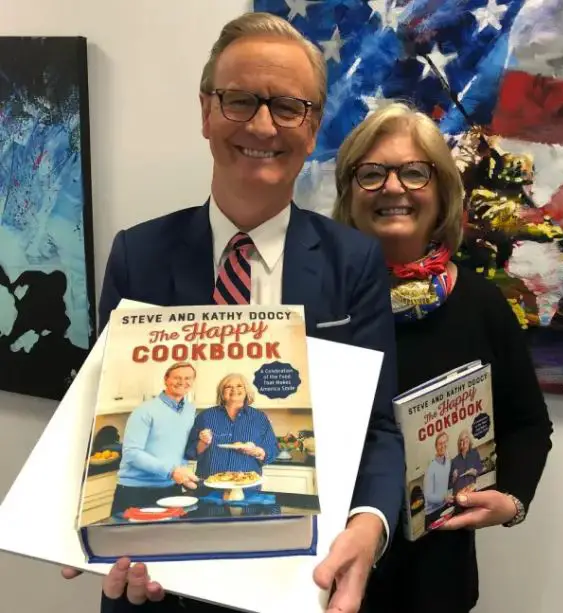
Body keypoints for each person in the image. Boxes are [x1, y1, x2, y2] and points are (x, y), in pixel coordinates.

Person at [61, 11, 405, 613]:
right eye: (240, 100)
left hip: (300, 579)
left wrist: (370, 525)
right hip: (152, 582)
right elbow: (102, 412)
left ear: (314, 125)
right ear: (205, 112)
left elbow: (378, 427)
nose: (263, 125)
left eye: (287, 106)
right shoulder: (137, 255)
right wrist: (75, 515)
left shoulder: (353, 262)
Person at [332, 101, 553, 613]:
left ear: (441, 193)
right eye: (371, 173)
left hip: (436, 581)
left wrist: (513, 500)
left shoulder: (480, 303)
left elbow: (526, 423)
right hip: (326, 572)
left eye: (414, 172)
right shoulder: (319, 300)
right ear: (349, 192)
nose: (393, 188)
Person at [110, 362, 200, 516]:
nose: (182, 382)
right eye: (177, 377)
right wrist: (171, 471)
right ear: (166, 379)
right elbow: (132, 453)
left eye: (188, 378)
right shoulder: (144, 411)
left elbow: (181, 448)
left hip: (172, 489)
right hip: (136, 491)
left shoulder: (190, 411)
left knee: (168, 538)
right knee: (131, 539)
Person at [185, 373, 279, 481]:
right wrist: (203, 442)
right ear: (222, 392)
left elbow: (273, 449)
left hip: (246, 485)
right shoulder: (205, 416)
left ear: (246, 390)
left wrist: (258, 451)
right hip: (209, 485)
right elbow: (190, 452)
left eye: (239, 386)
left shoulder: (260, 418)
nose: (234, 389)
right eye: (228, 386)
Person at [422, 432, 453, 527]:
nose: (443, 446)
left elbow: (446, 484)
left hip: (444, 507)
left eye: (445, 443)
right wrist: (443, 498)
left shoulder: (447, 462)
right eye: (440, 444)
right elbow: (428, 496)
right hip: (432, 513)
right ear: (436, 446)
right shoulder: (431, 468)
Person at [450, 429, 483, 497]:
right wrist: (454, 477)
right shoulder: (454, 461)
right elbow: (450, 483)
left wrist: (474, 471)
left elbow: (480, 468)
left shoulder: (474, 454)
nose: (464, 441)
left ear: (469, 440)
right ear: (459, 444)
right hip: (459, 495)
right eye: (462, 440)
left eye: (466, 438)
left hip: (472, 492)